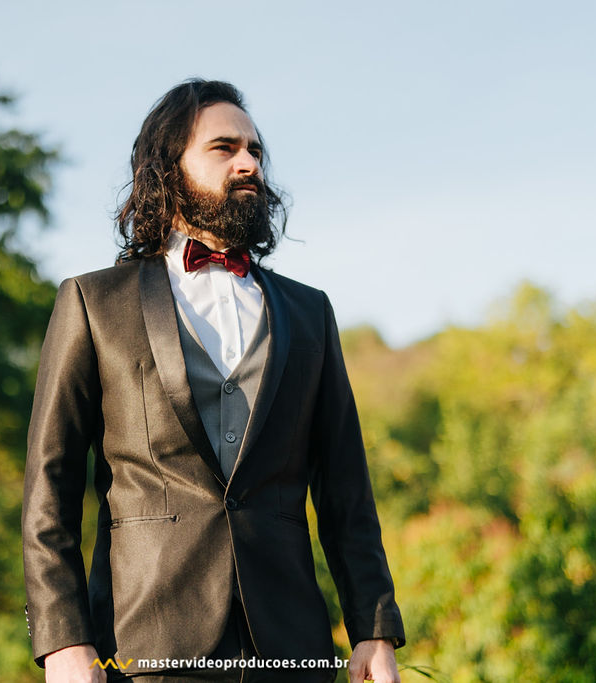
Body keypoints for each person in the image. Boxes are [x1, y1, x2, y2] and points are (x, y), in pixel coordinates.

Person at [22, 79, 406, 683]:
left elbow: (345, 488)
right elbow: (51, 485)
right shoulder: (95, 303)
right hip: (142, 643)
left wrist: (373, 627)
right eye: (224, 148)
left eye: (254, 149)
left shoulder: (310, 313)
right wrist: (62, 640)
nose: (249, 162)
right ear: (168, 169)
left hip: (290, 648)